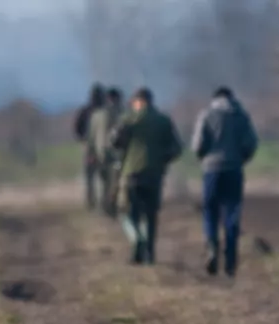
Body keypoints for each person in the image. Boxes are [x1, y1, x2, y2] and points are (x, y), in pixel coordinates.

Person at [190, 86, 258, 277]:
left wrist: (205, 158)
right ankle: (230, 261)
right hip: (234, 169)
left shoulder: (206, 115)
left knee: (210, 210)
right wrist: (240, 158)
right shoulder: (241, 116)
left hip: (211, 170)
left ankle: (212, 245)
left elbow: (197, 145)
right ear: (231, 98)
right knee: (231, 213)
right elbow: (251, 143)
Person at [111, 88, 182, 264]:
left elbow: (114, 142)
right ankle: (149, 253)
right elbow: (177, 148)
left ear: (137, 102)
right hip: (154, 175)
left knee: (128, 212)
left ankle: (136, 239)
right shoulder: (163, 121)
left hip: (131, 174)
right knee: (150, 215)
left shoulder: (128, 119)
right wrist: (162, 160)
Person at [83, 83, 109, 210]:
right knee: (102, 178)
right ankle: (100, 202)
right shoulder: (107, 112)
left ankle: (93, 202)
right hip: (101, 150)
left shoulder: (87, 111)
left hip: (91, 149)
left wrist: (84, 142)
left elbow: (79, 129)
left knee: (92, 179)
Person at [102, 87, 125, 218]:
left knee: (110, 182)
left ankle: (110, 205)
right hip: (116, 152)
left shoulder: (105, 113)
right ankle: (111, 206)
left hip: (110, 152)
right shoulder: (121, 112)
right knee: (114, 181)